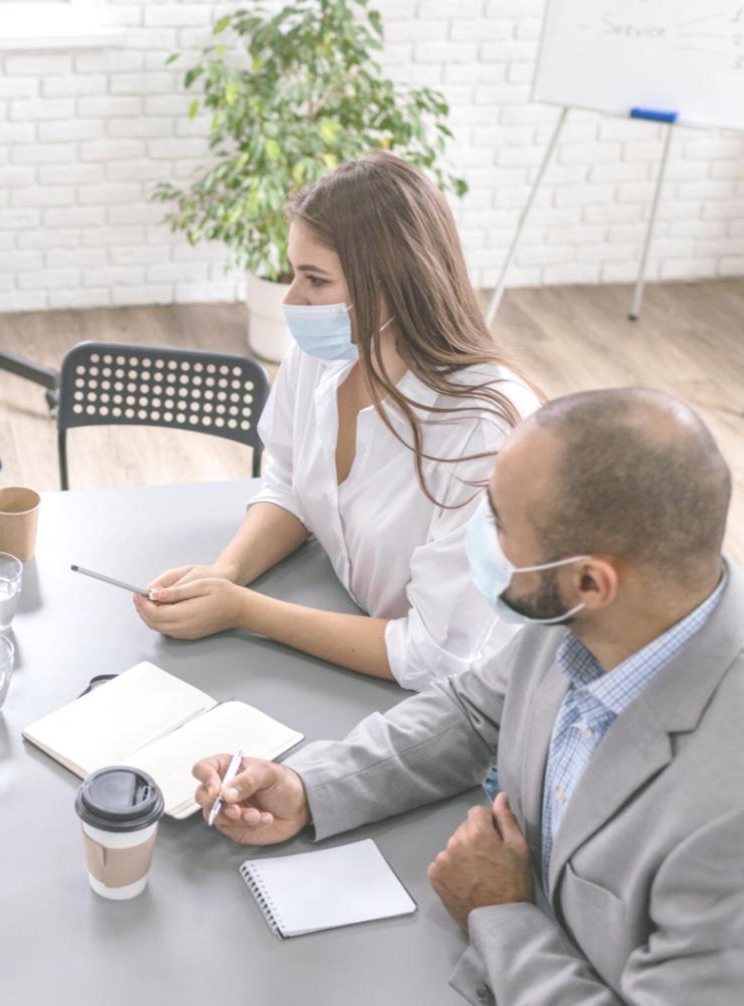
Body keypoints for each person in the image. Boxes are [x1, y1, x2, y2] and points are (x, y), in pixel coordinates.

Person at [191, 388, 744, 1005]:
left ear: (590, 580)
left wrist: (499, 914)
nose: (479, 539)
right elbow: (474, 710)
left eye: (500, 524)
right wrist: (310, 788)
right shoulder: (605, 609)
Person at [135, 154, 540, 690]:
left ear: (394, 283)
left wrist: (245, 611)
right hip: (353, 651)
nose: (290, 300)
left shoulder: (485, 431)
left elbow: (433, 656)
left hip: (460, 704)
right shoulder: (326, 353)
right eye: (294, 273)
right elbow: (290, 479)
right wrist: (224, 573)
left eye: (315, 280)